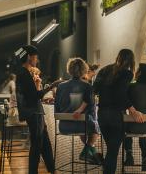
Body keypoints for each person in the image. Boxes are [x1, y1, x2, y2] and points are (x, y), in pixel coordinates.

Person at [93, 49, 144, 173]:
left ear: (118, 57)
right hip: (115, 115)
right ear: (131, 61)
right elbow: (120, 94)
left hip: (102, 114)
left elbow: (94, 90)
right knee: (112, 152)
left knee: (111, 151)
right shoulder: (126, 74)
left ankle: (101, 161)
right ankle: (102, 164)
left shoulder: (104, 70)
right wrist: (132, 109)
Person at [15, 45, 61, 174]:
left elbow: (31, 96)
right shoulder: (24, 74)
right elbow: (36, 95)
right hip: (34, 113)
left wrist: (42, 97)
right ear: (29, 57)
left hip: (35, 112)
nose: (37, 60)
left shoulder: (22, 73)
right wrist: (52, 85)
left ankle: (52, 170)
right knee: (37, 145)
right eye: (36, 57)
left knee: (44, 144)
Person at [55, 58, 101, 163]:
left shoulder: (61, 86)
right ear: (84, 70)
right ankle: (88, 151)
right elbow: (92, 111)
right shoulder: (87, 86)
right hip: (82, 126)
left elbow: (57, 109)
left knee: (87, 125)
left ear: (69, 69)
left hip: (64, 127)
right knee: (95, 127)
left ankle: (91, 152)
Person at [124, 63, 146, 171]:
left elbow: (125, 102)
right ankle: (145, 159)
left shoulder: (132, 86)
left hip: (133, 126)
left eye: (137, 70)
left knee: (124, 126)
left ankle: (129, 155)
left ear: (140, 73)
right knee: (144, 133)